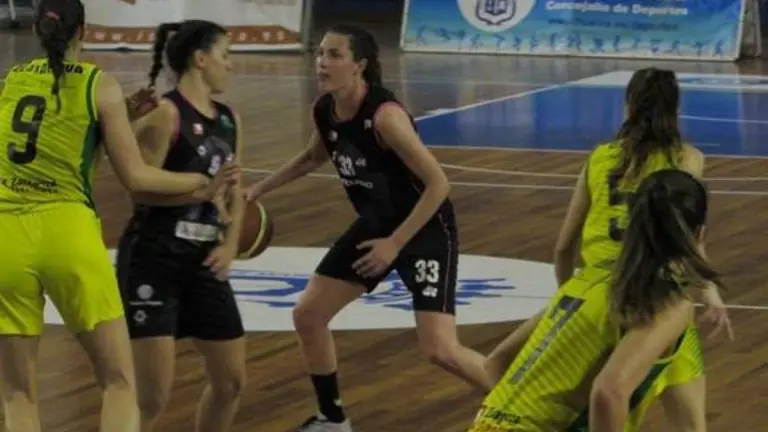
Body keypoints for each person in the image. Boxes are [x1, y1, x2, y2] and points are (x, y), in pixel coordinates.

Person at [0, 1, 238, 432]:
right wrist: (202, 183)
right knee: (119, 382)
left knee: (17, 394)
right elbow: (137, 178)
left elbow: (53, 127)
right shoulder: (98, 84)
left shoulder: (13, 80)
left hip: (7, 238)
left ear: (36, 30)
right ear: (84, 31)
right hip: (66, 232)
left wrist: (121, 114)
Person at [245, 25, 490, 431]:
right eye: (320, 53)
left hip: (425, 229)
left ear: (359, 65)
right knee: (308, 315)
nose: (322, 62)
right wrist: (258, 189)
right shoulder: (325, 109)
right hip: (377, 226)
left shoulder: (385, 117)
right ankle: (332, 420)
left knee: (440, 349)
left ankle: (533, 411)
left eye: (334, 55)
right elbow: (312, 157)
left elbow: (438, 184)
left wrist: (395, 244)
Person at [479, 68, 730, 431]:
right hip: (655, 294)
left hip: (595, 287)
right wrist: (710, 292)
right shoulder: (686, 159)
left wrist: (568, 298)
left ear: (629, 106)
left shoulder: (600, 157)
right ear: (675, 109)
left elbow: (564, 244)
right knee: (674, 416)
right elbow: (687, 236)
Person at [470, 169, 720, 431]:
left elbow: (496, 362)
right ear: (699, 234)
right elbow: (608, 392)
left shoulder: (588, 277)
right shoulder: (666, 302)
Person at [116, 20, 247, 432]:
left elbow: (235, 191)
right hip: (155, 258)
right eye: (226, 55)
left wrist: (230, 245)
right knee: (151, 398)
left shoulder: (229, 119)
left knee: (231, 383)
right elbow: (140, 192)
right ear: (200, 59)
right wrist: (200, 193)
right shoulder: (165, 115)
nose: (231, 65)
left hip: (204, 261)